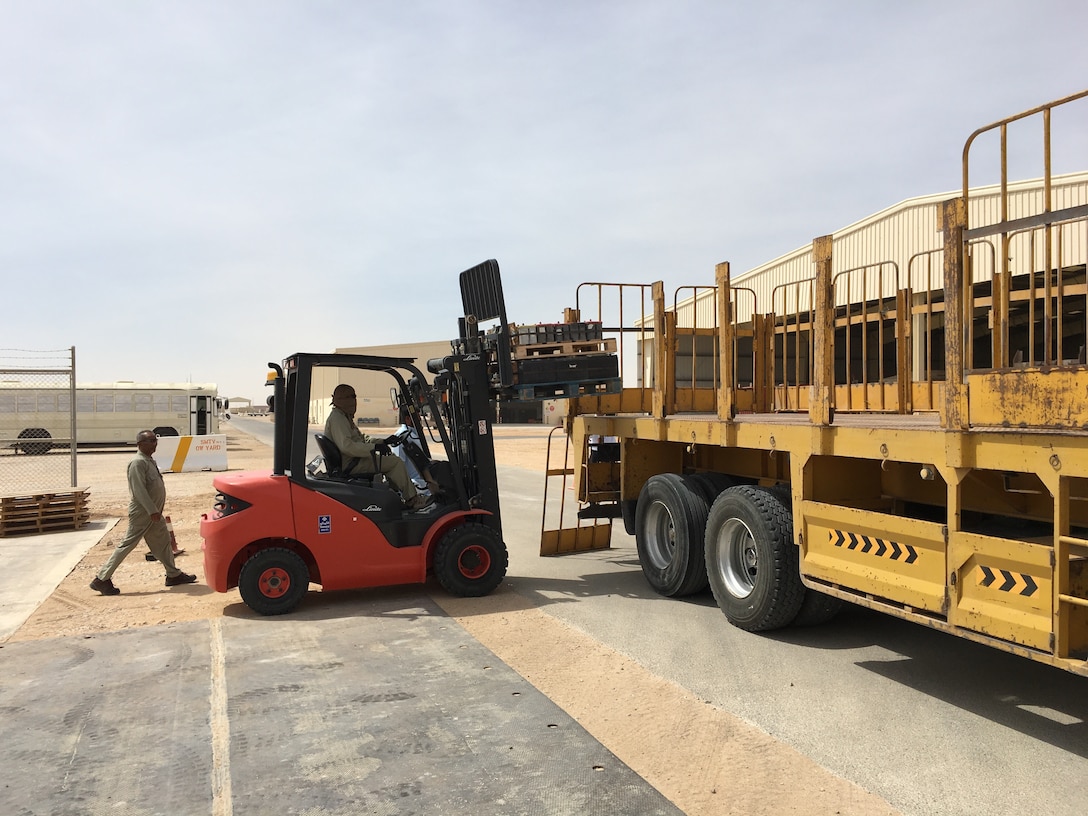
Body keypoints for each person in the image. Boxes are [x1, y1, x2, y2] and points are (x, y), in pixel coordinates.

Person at [90, 430, 198, 595]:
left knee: (163, 542)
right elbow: (138, 490)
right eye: (150, 441)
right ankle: (102, 578)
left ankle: (173, 575)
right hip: (144, 513)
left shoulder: (149, 461)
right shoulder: (137, 463)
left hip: (153, 513)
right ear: (140, 444)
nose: (155, 444)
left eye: (155, 440)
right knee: (128, 544)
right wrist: (151, 510)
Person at [324, 385, 433, 511]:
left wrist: (384, 441)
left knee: (390, 459)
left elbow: (362, 439)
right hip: (352, 463)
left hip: (353, 460)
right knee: (395, 463)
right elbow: (347, 447)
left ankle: (396, 497)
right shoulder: (338, 418)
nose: (355, 401)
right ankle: (412, 499)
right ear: (345, 399)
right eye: (353, 397)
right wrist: (374, 447)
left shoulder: (344, 416)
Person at [394, 405, 443, 497]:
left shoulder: (413, 435)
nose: (420, 420)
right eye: (417, 418)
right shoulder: (402, 437)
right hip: (417, 484)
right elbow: (399, 464)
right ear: (408, 419)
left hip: (424, 480)